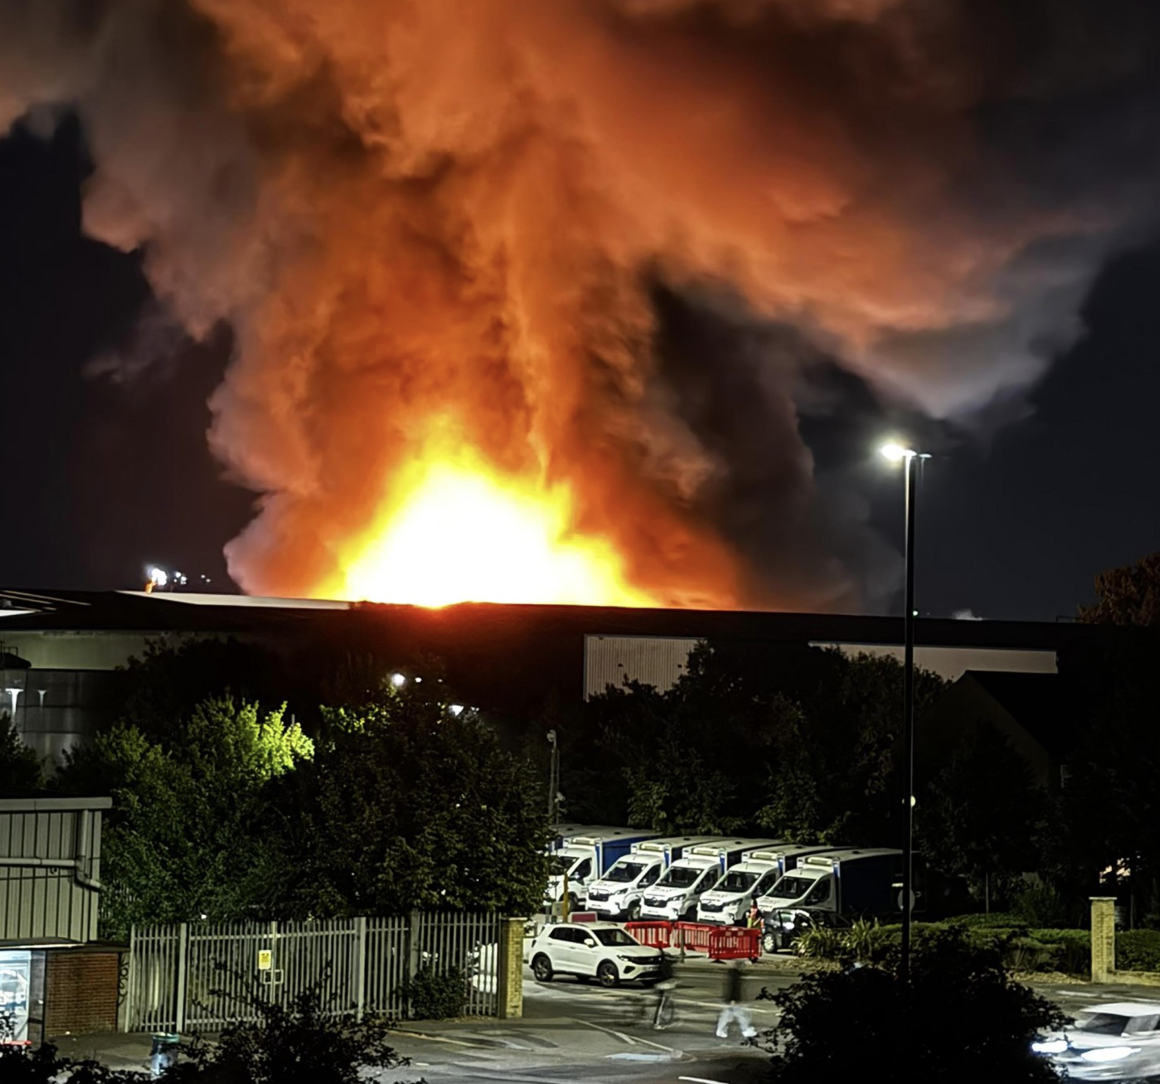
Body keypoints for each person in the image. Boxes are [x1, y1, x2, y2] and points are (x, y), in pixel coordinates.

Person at [716, 962, 756, 1039]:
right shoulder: (734, 975)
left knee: (728, 1015)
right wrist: (732, 999)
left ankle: (721, 1029)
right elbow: (732, 988)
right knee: (742, 1015)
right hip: (734, 999)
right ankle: (745, 1030)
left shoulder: (734, 974)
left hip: (733, 999)